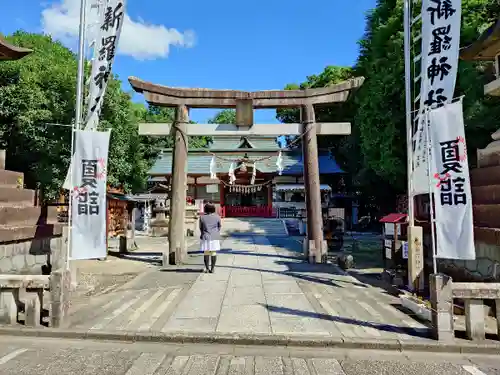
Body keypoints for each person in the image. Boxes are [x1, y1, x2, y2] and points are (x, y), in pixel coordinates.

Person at [199, 202, 221, 273]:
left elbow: (200, 227)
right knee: (213, 252)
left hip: (205, 236)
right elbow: (219, 226)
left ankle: (207, 268)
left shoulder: (202, 217)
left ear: (205, 209)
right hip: (214, 236)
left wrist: (203, 233)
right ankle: (213, 268)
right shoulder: (217, 216)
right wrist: (216, 231)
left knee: (206, 252)